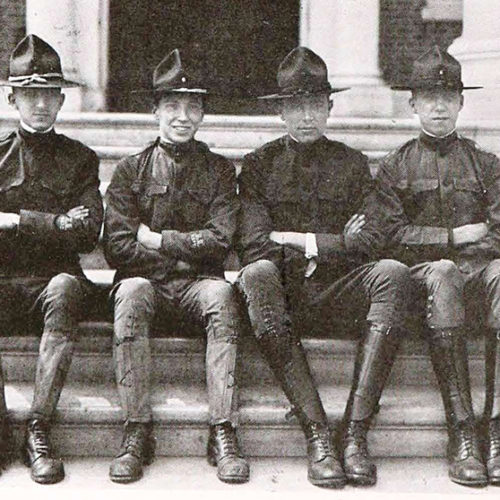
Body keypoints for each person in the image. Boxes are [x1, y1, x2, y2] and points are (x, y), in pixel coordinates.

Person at [235, 46, 409, 488]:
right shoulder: (258, 167)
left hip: (340, 292)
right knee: (256, 275)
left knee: (391, 272)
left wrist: (298, 241)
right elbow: (255, 244)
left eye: (315, 105)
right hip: (285, 294)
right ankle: (318, 436)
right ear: (281, 112)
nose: (306, 116)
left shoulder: (352, 165)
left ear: (329, 107)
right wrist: (336, 245)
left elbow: (372, 240)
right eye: (295, 106)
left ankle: (353, 434)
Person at [103, 49, 248, 485]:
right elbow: (117, 247)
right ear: (155, 111)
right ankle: (136, 429)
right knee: (129, 293)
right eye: (172, 106)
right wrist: (187, 249)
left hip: (198, 286)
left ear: (203, 113)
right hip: (146, 284)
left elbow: (221, 241)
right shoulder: (130, 171)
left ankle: (223, 429)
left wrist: (159, 240)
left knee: (223, 295)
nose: (182, 116)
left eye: (192, 106)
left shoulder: (221, 172)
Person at [374, 45, 500, 487]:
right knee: (444, 271)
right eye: (429, 97)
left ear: (462, 102)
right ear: (412, 104)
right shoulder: (394, 167)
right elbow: (391, 236)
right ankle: (463, 431)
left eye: (449, 96)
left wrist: (476, 250)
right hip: (425, 282)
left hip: (481, 274)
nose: (440, 106)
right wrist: (452, 238)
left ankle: (498, 427)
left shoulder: (486, 165)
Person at [0, 34, 103, 484]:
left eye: (48, 94)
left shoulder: (81, 159)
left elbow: (87, 232)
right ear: (12, 97)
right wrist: (52, 222)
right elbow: (67, 226)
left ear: (61, 100)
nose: (39, 103)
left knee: (64, 287)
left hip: (54, 282)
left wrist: (11, 221)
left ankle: (38, 428)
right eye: (29, 93)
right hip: (5, 280)